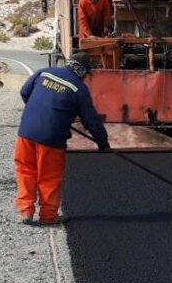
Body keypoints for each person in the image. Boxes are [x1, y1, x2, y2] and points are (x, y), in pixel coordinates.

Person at [15, 52, 110, 225]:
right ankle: (48, 216)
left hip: (26, 132)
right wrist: (102, 142)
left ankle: (25, 211)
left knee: (25, 170)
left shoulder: (44, 73)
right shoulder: (78, 90)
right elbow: (91, 121)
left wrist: (39, 111)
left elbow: (24, 92)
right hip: (51, 138)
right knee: (49, 176)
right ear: (81, 71)